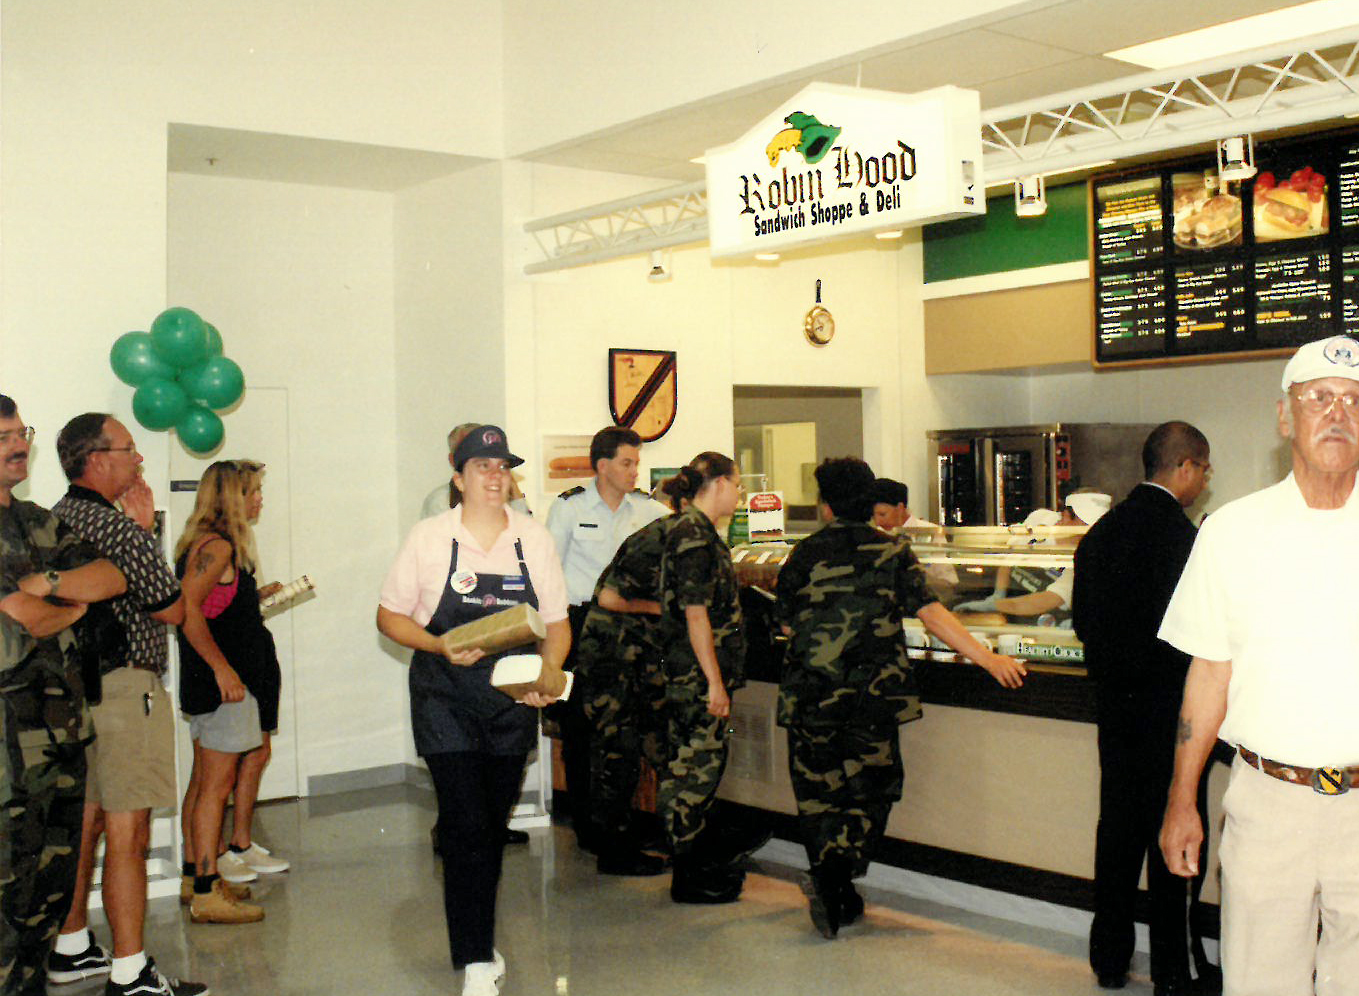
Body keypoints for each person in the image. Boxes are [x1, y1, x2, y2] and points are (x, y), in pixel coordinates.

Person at [1159, 335, 1359, 996]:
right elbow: (1207, 676)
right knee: (1259, 984)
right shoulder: (1232, 532)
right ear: (1285, 417)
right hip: (1268, 804)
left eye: (1354, 401)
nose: (1338, 413)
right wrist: (1181, 800)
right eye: (1319, 398)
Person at [777, 457, 1027, 939]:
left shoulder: (804, 554)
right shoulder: (892, 551)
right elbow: (932, 613)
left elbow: (786, 622)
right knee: (875, 790)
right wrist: (988, 658)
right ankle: (840, 879)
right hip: (872, 698)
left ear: (826, 506)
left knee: (817, 797)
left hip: (811, 697)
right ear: (871, 501)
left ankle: (831, 881)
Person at [377, 424, 569, 996]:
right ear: (458, 479)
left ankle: (479, 938)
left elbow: (556, 626)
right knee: (464, 825)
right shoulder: (429, 538)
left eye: (501, 467)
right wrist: (438, 645)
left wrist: (548, 676)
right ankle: (476, 957)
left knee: (489, 823)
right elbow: (390, 616)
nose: (494, 475)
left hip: (512, 696)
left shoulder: (533, 539)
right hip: (445, 695)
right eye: (481, 466)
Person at [43, 413, 207, 996]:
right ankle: (132, 972)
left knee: (82, 828)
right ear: (96, 459)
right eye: (130, 451)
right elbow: (170, 608)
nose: (139, 462)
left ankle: (70, 947)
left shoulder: (55, 516)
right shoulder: (115, 528)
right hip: (124, 692)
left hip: (73, 695)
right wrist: (143, 531)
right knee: (129, 831)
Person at [1072, 423, 1216, 995]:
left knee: (1118, 834)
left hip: (1116, 711)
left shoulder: (1101, 534)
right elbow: (1200, 640)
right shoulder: (1184, 541)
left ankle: (1109, 960)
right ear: (1184, 467)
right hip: (1171, 717)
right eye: (1203, 469)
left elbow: (1084, 624)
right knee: (1174, 838)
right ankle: (1172, 973)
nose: (1205, 480)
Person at [0, 396, 126, 996]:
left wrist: (52, 582)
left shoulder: (36, 521)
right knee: (7, 889)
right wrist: (70, 605)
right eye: (1, 437)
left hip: (63, 732)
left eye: (19, 432)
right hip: (7, 750)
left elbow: (112, 577)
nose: (16, 445)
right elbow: (28, 619)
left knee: (49, 890)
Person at [173, 459, 287, 925]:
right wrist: (222, 670)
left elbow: (214, 609)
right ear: (232, 498)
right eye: (253, 491)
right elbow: (188, 610)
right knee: (214, 789)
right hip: (224, 688)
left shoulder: (213, 546)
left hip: (219, 685)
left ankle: (195, 878)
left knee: (203, 783)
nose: (259, 499)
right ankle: (205, 891)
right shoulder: (217, 548)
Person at [545, 426, 667, 851]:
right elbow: (550, 577)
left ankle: (624, 822)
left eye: (637, 463)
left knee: (629, 730)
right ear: (602, 466)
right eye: (626, 462)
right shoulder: (569, 509)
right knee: (581, 729)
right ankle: (587, 826)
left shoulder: (649, 513)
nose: (635, 471)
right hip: (581, 627)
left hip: (634, 632)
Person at [654, 452, 751, 904]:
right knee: (693, 771)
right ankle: (688, 876)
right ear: (715, 484)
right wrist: (713, 681)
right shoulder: (693, 534)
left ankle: (691, 868)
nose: (740, 492)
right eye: (736, 483)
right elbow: (696, 615)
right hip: (695, 676)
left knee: (693, 769)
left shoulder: (697, 530)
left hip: (692, 672)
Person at [574, 487, 681, 876]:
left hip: (640, 657)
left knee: (650, 744)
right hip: (612, 657)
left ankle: (638, 835)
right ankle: (613, 849)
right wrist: (664, 610)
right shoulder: (658, 538)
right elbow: (609, 597)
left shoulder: (675, 534)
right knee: (615, 750)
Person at [421, 422, 531, 520]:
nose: (494, 473)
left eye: (503, 466)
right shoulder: (441, 501)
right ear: (452, 459)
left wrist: (516, 496)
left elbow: (527, 535)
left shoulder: (507, 498)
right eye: (483, 465)